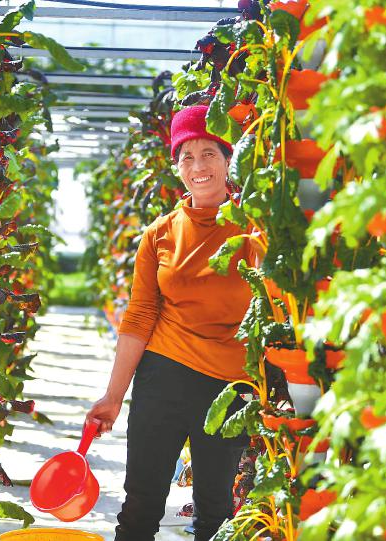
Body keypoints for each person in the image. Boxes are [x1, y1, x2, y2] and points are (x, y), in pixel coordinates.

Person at [86, 105, 256, 541]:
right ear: (176, 165)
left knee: (215, 510)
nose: (198, 166)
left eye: (209, 154)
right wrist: (113, 394)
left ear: (227, 158)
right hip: (163, 375)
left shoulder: (255, 230)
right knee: (141, 500)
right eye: (187, 157)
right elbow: (140, 316)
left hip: (229, 385)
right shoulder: (159, 233)